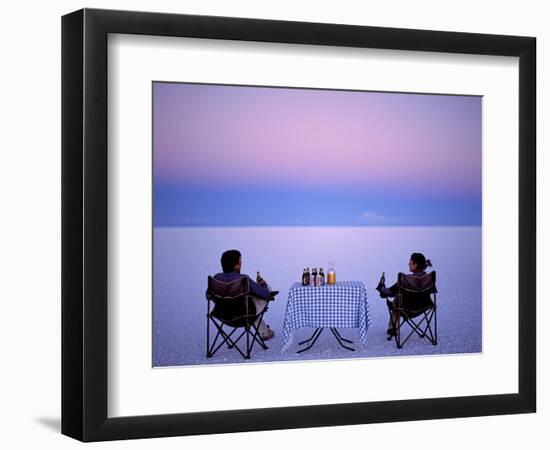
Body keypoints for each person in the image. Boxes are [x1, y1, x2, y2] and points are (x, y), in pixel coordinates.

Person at [214, 249, 275, 341]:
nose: (241, 263)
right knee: (262, 295)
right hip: (243, 316)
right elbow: (265, 294)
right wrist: (263, 285)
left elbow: (209, 296)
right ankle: (264, 333)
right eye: (240, 262)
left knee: (247, 301)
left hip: (222, 315)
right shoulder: (243, 279)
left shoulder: (216, 279)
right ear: (236, 265)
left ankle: (264, 331)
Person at [376, 252, 434, 339]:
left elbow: (390, 292)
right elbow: (433, 290)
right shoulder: (428, 278)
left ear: (416, 264)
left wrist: (381, 288)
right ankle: (393, 327)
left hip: (406, 309)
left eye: (410, 262)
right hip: (424, 307)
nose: (408, 264)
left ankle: (393, 329)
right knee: (399, 297)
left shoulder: (406, 279)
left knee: (397, 301)